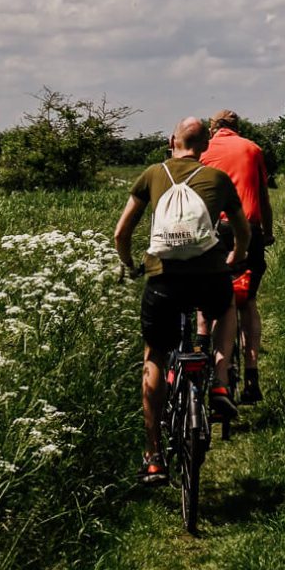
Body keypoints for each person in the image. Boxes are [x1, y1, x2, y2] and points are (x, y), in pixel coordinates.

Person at [114, 115, 251, 486]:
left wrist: (129, 264)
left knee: (155, 354)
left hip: (164, 278)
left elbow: (121, 232)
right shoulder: (218, 180)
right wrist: (235, 257)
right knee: (224, 310)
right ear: (205, 146)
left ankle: (155, 456)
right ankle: (220, 381)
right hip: (209, 276)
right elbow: (243, 230)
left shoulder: (152, 175)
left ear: (171, 140)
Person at [200, 109, 274, 404]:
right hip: (249, 229)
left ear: (213, 128)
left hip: (214, 230)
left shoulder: (204, 150)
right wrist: (267, 232)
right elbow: (263, 196)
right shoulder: (252, 149)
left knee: (210, 296)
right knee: (248, 301)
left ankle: (204, 352)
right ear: (237, 127)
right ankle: (252, 376)